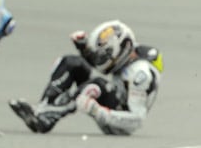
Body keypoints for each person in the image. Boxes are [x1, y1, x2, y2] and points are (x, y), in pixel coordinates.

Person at [9, 20, 163, 135]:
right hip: (111, 97)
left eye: (103, 56)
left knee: (96, 86)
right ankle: (43, 109)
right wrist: (83, 49)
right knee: (72, 63)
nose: (99, 60)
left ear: (121, 50)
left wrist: (97, 111)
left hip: (117, 123)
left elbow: (136, 120)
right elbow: (104, 64)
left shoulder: (141, 75)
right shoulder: (126, 55)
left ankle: (47, 117)